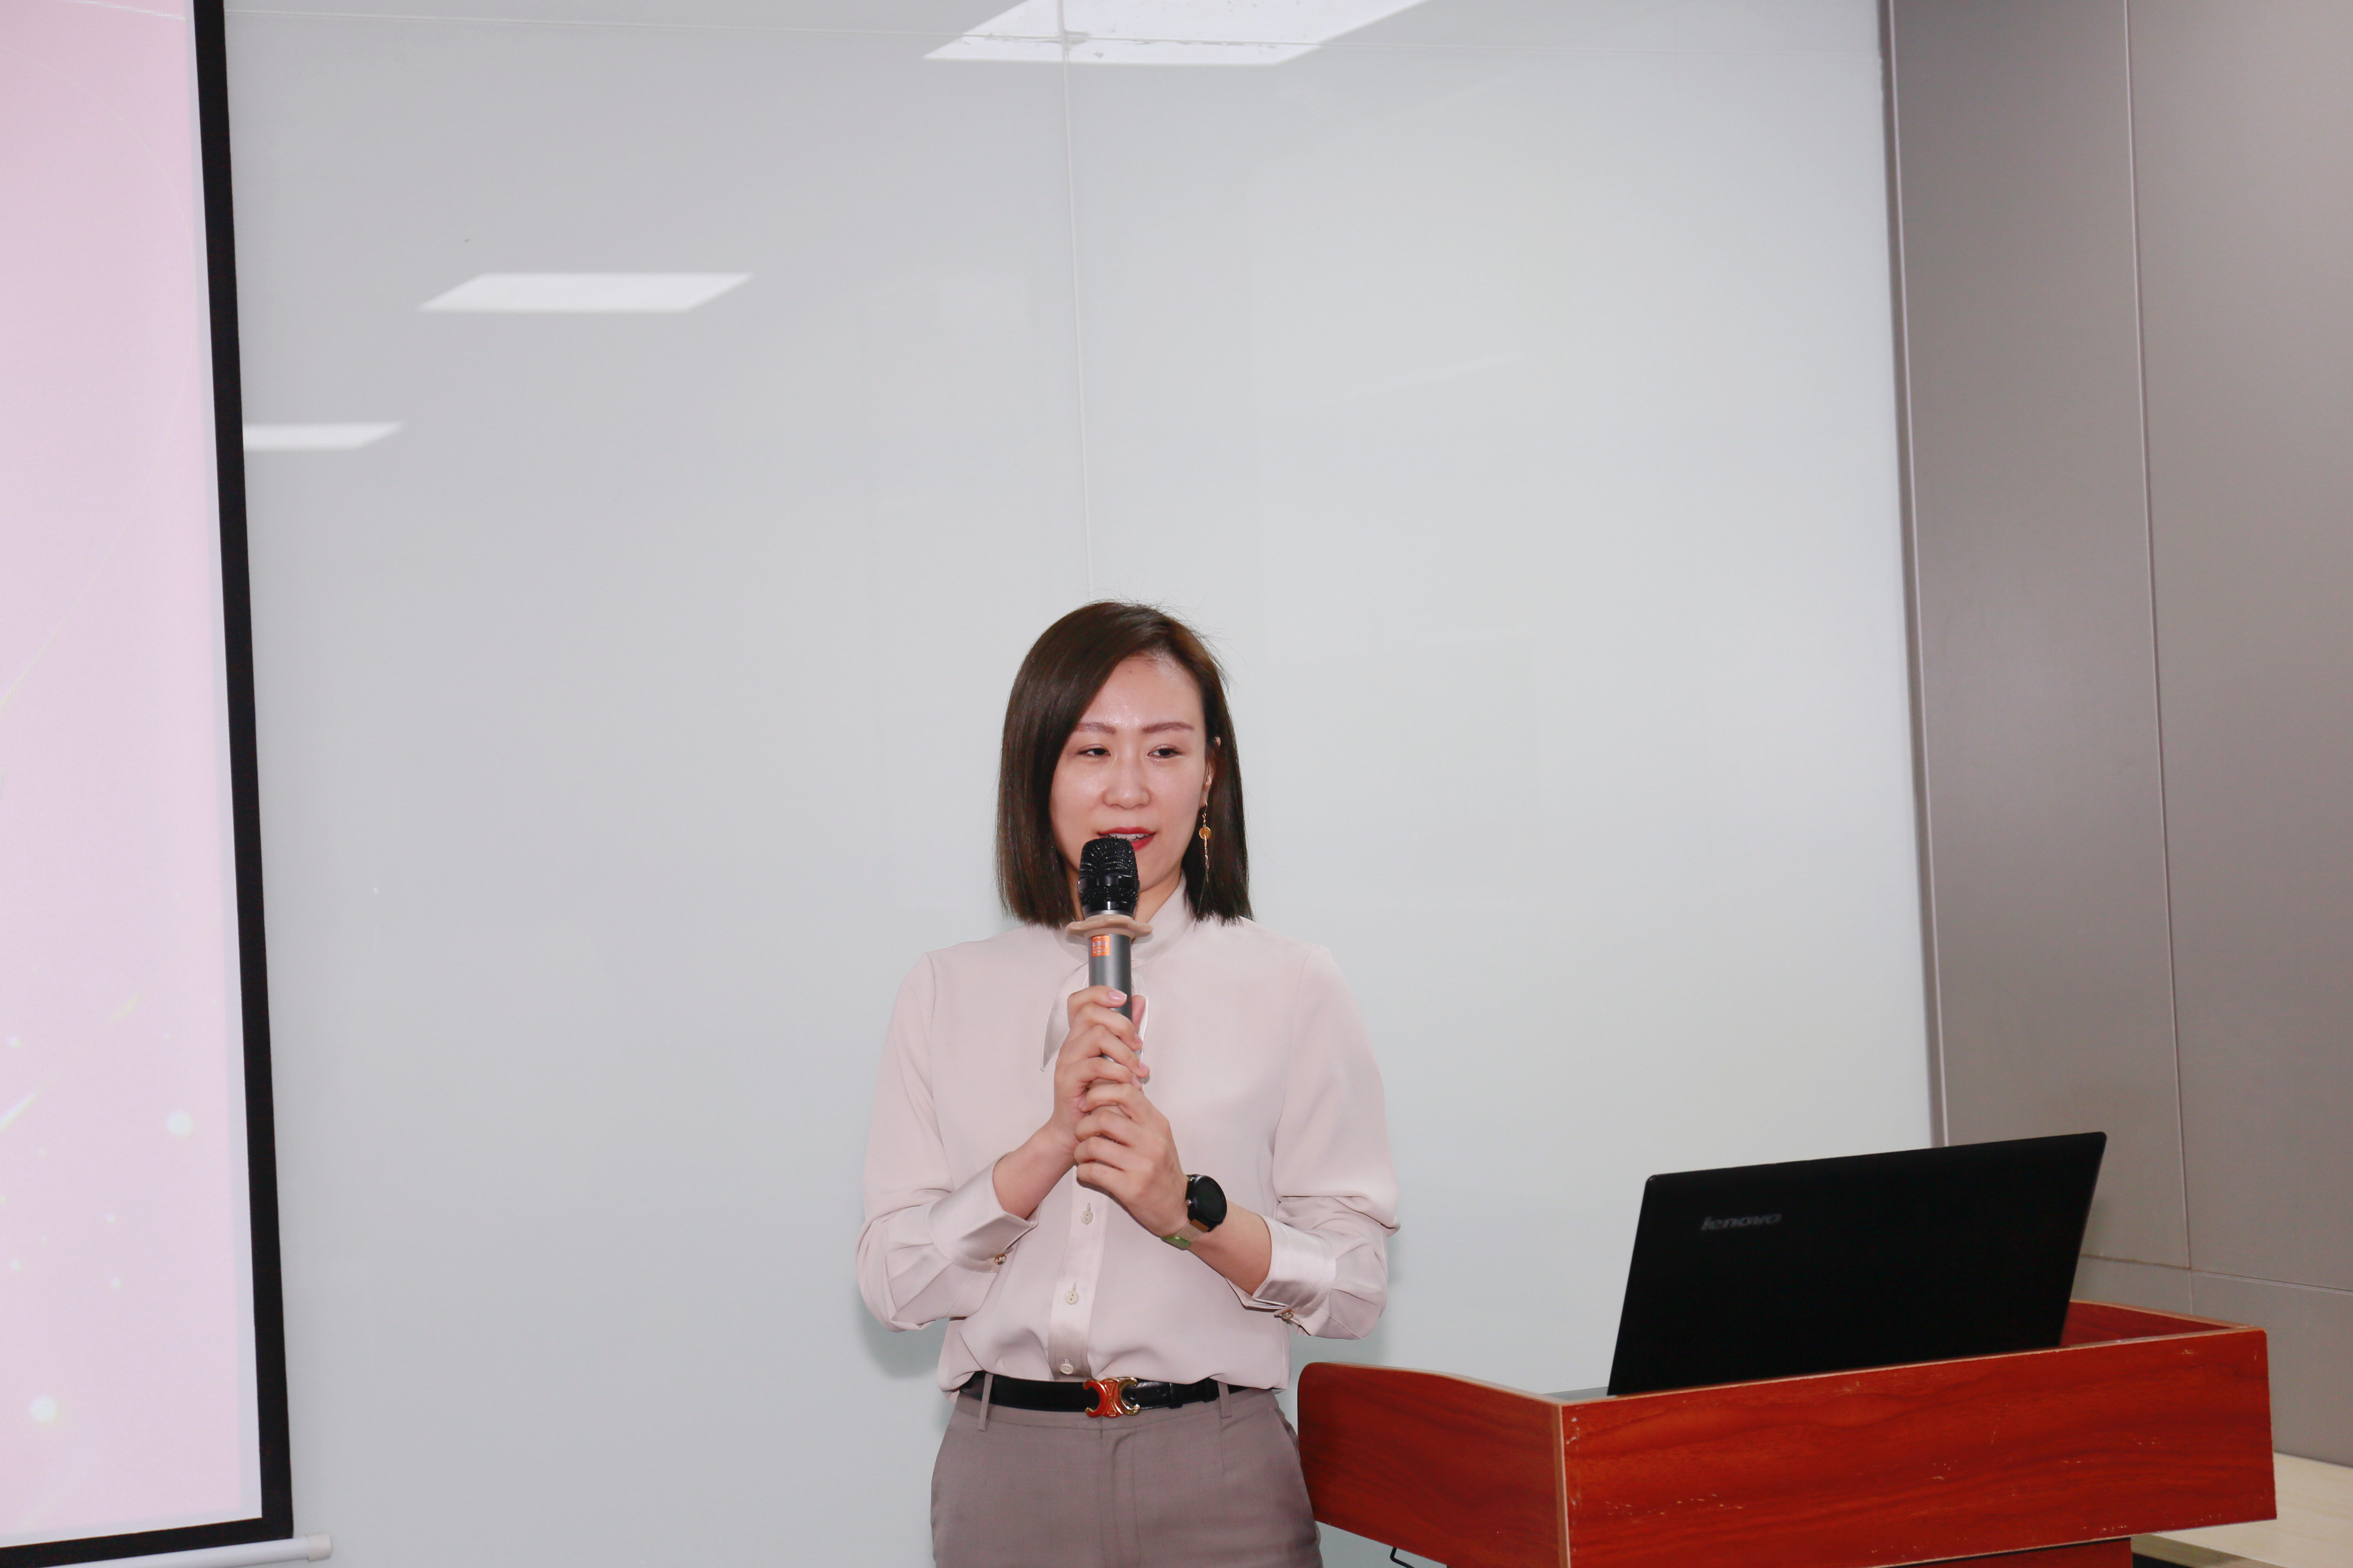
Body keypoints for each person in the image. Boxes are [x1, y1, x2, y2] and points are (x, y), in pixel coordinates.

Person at [857, 601, 1398, 1568]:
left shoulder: (1291, 983)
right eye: (1093, 750)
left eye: (1165, 750)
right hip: (1006, 1472)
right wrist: (1043, 1153)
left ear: (1211, 772)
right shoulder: (945, 990)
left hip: (1216, 1467)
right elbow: (893, 1283)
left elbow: (1356, 1284)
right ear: (1038, 770)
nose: (1129, 789)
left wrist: (1187, 1210)